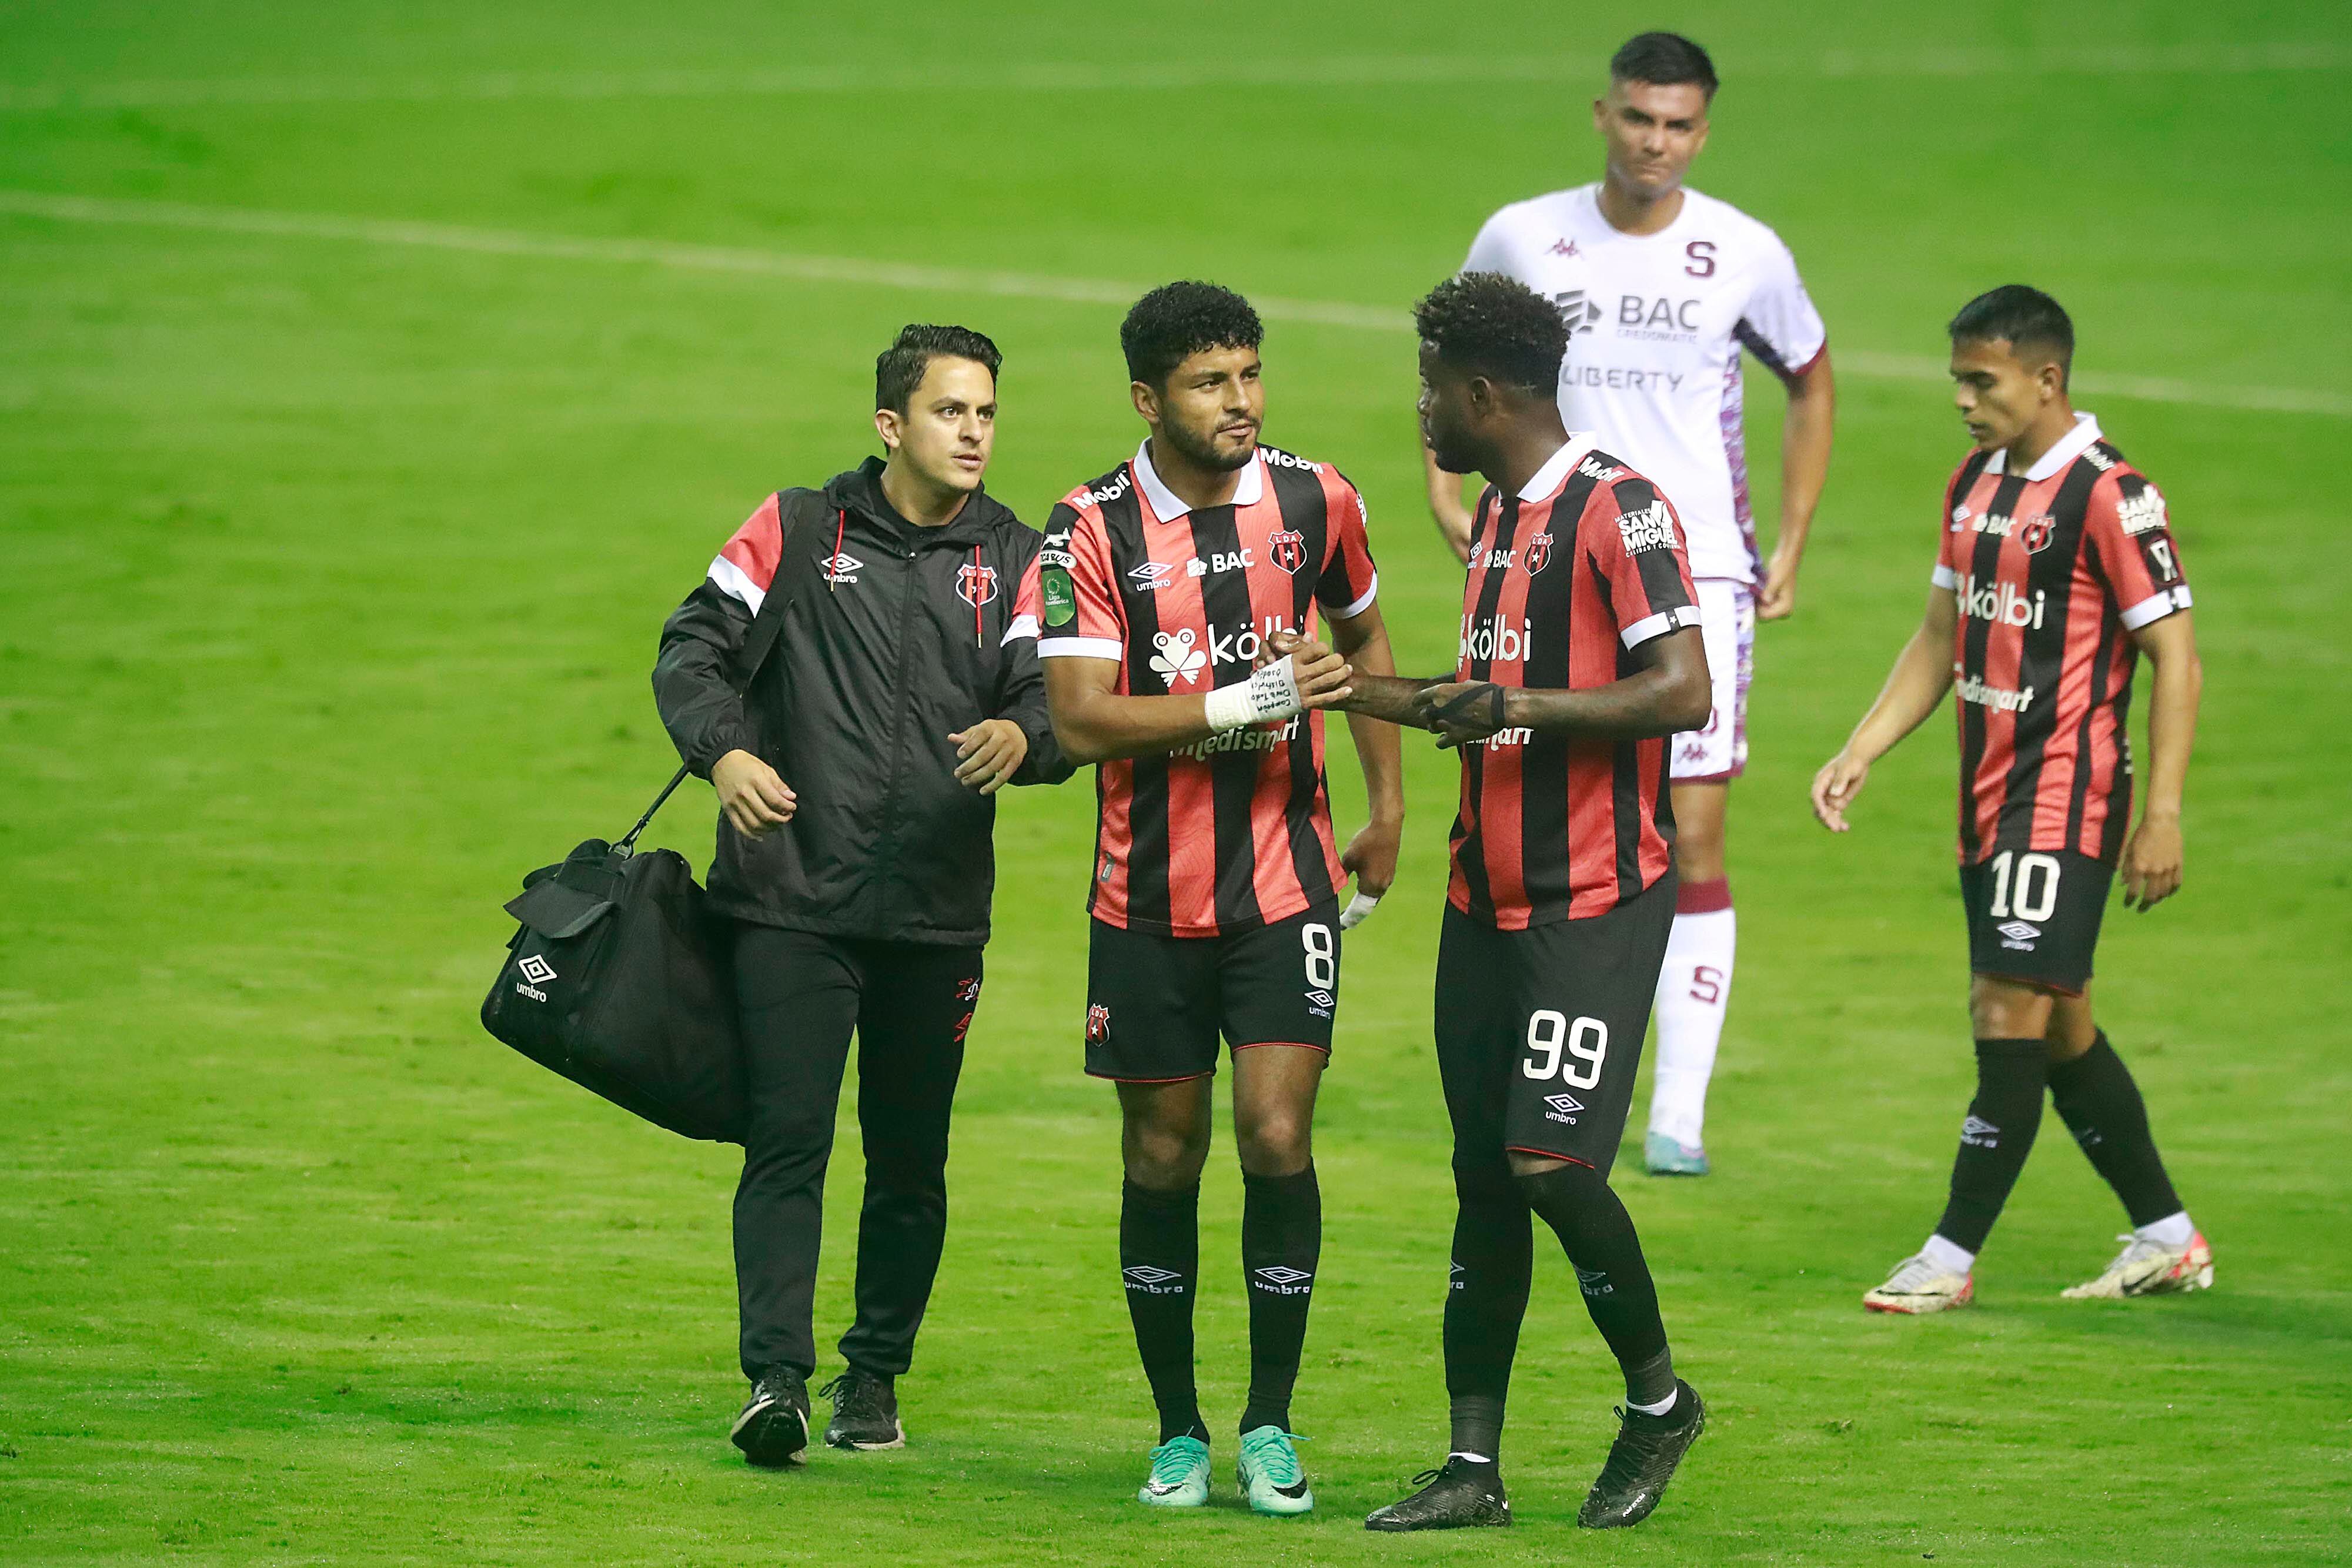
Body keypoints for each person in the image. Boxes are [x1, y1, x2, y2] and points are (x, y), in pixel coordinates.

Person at [653, 323, 1070, 1466]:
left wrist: (1021, 736)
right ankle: (776, 1378)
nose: (973, 432)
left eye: (985, 411)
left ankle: (873, 1374)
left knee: (909, 1156)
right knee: (786, 1141)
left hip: (934, 917)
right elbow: (690, 646)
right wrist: (725, 753)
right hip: (788, 900)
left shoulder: (1026, 558)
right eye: (949, 411)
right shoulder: (795, 526)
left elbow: (1058, 702)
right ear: (890, 424)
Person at [1424, 31, 1835, 1175]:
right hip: (1544, 550)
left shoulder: (1742, 253)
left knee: (1689, 821)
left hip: (1691, 561)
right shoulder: (1523, 233)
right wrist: (1441, 482)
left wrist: (1789, 537)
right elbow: (1459, 358)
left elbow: (1807, 373)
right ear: (1600, 114)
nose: (1654, 141)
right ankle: (1546, 1047)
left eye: (1677, 125)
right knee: (1530, 788)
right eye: (1637, 118)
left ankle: (1678, 1111)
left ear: (1701, 132)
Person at [1340, 272, 1710, 1533]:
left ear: (1481, 392)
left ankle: (1658, 1401)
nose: (1422, 410)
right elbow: (1480, 690)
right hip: (1477, 901)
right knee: (1481, 1177)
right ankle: (1470, 1467)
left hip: (1592, 902)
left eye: (1430, 386)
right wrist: (1348, 687)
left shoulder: (1620, 508)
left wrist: (1518, 709)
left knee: (1546, 1157)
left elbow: (1680, 693)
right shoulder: (1497, 521)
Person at [1031, 281, 1402, 1517]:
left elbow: (1361, 638)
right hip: (1141, 894)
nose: (1240, 400)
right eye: (1210, 381)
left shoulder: (1314, 495)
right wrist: (1238, 706)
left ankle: (1270, 1422)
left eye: (1248, 373)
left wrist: (1384, 801)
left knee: (1277, 1133)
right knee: (1160, 1147)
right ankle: (1178, 1426)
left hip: (1284, 880)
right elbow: (1080, 721)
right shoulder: (1083, 526)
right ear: (1148, 398)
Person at [1812, 285, 2211, 1313]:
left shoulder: (2112, 496)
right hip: (1987, 797)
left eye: (1980, 380)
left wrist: (2160, 814)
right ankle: (2170, 1236)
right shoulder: (1974, 484)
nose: (1963, 399)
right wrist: (1863, 745)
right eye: (1957, 379)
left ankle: (1948, 1258)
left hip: (2067, 796)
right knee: (2061, 1019)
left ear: (2047, 378)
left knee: (2005, 1007)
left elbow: (2176, 657)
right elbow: (1942, 637)